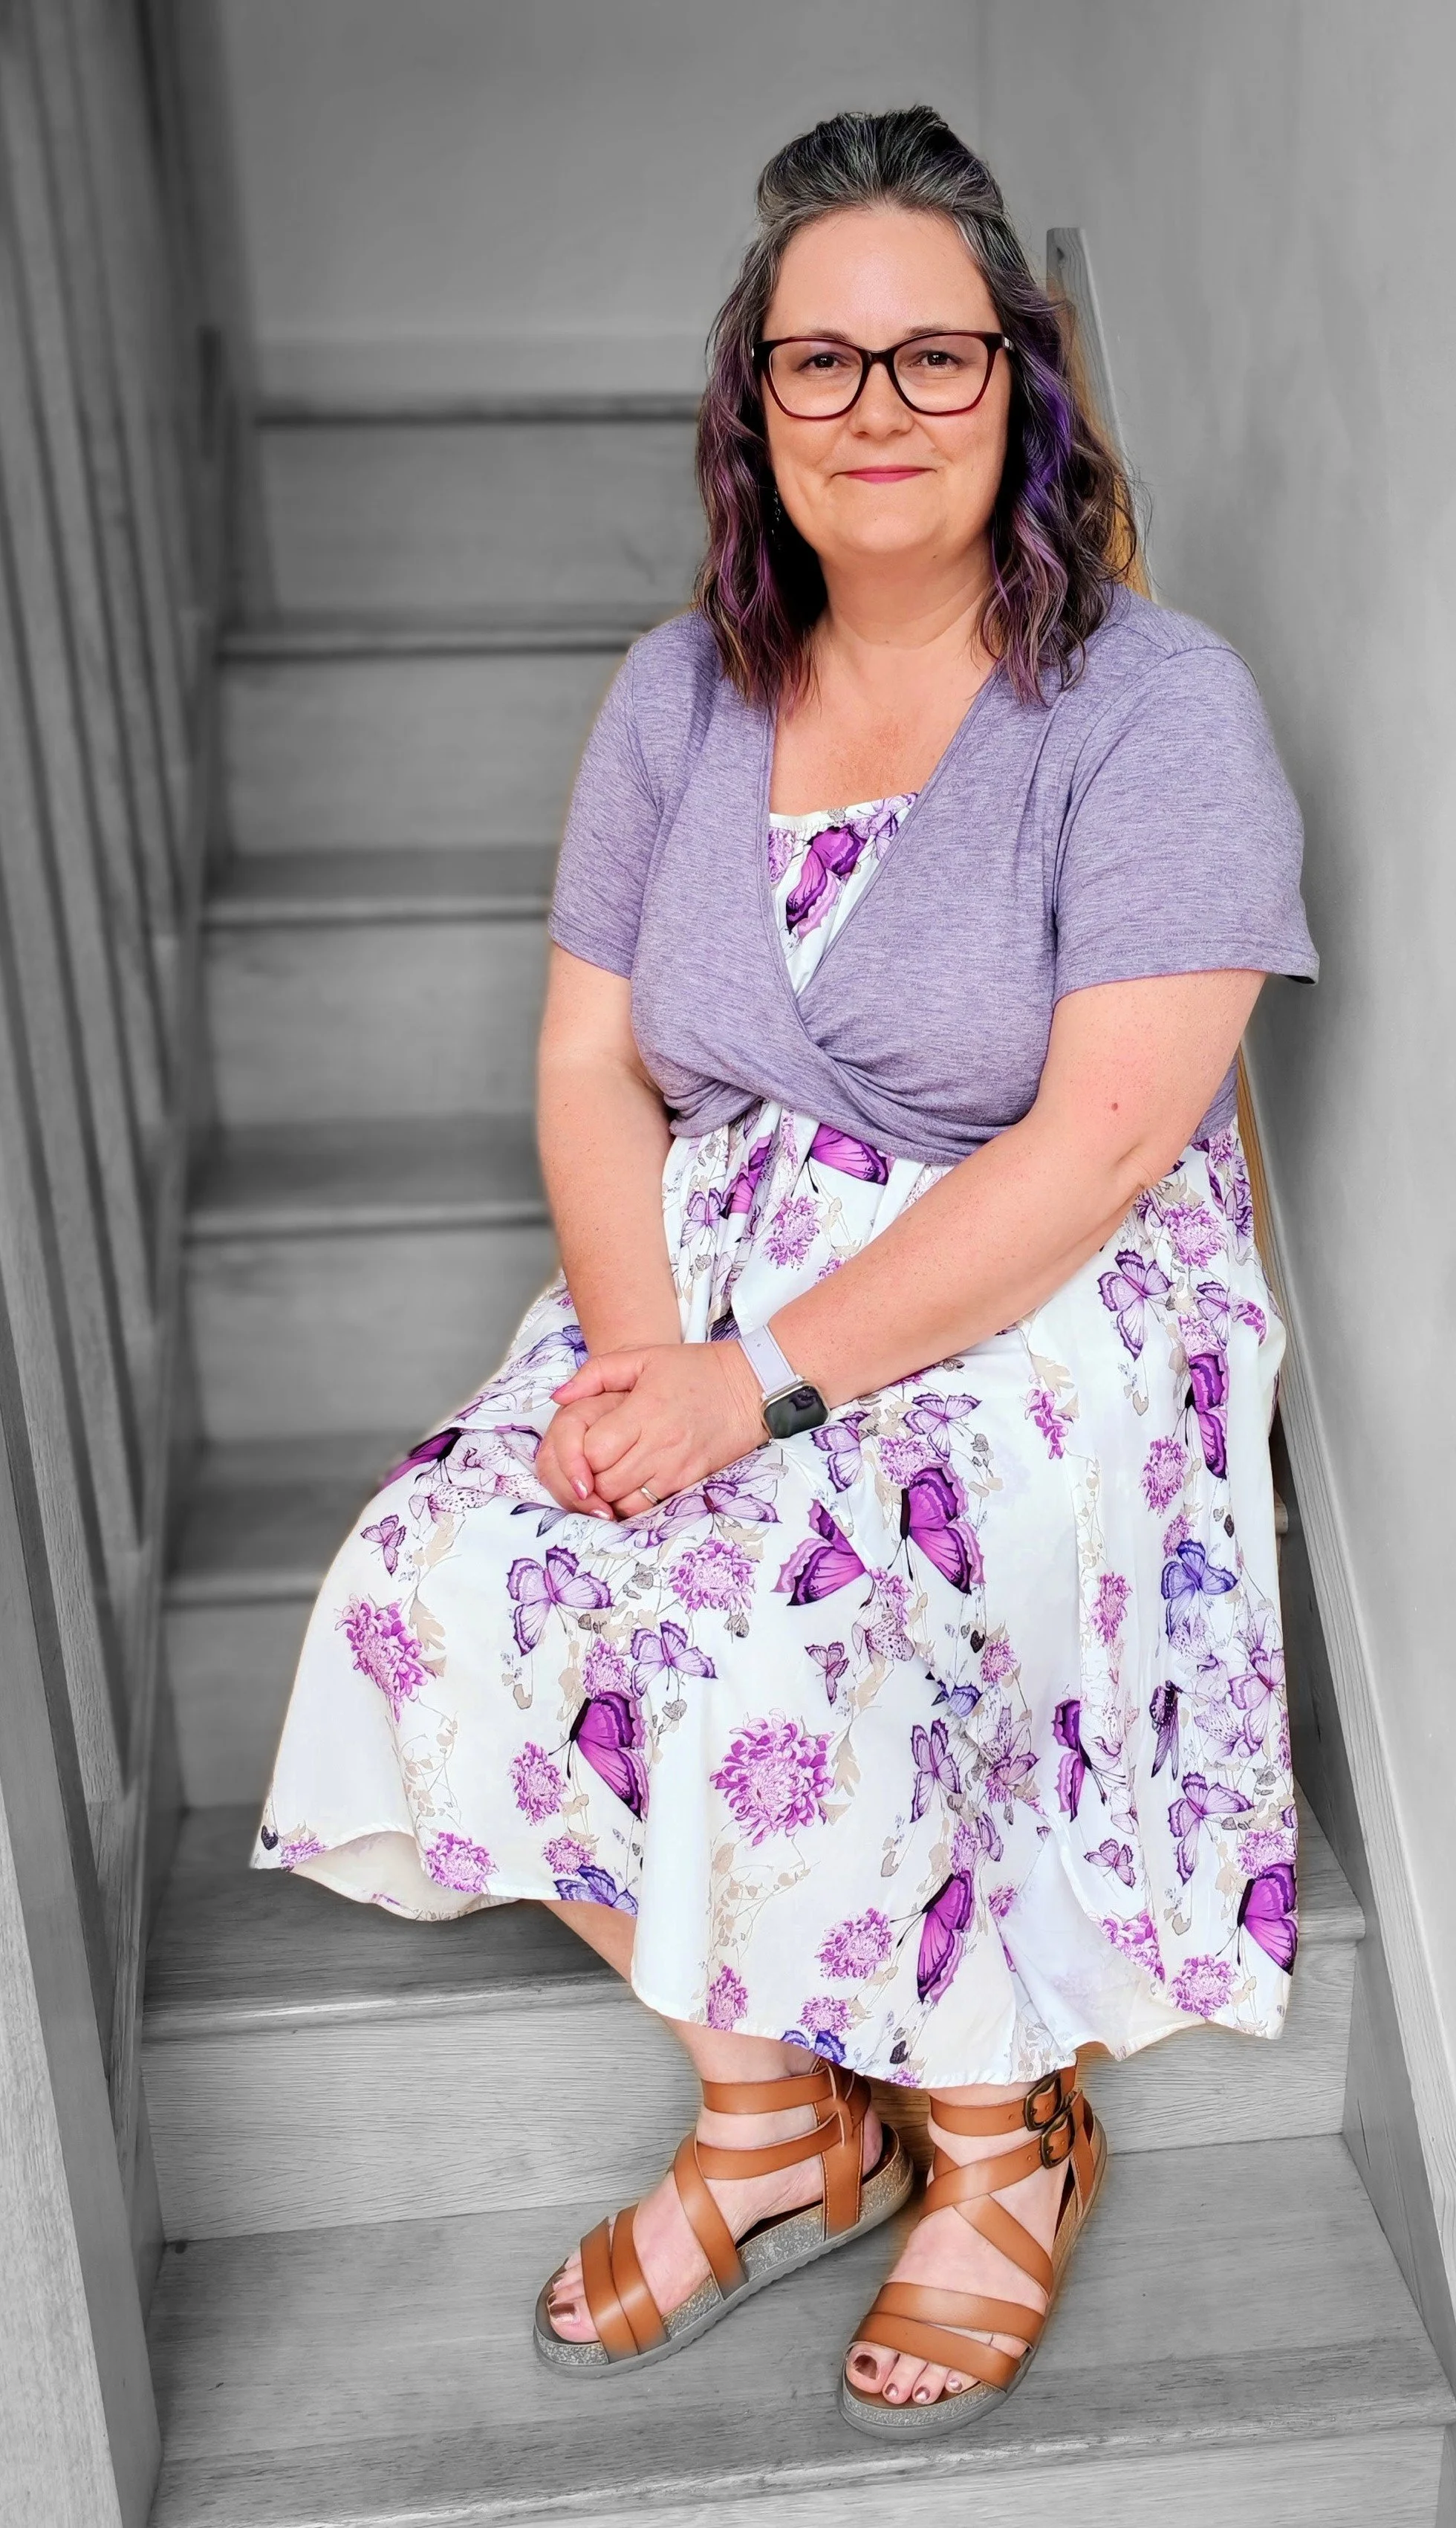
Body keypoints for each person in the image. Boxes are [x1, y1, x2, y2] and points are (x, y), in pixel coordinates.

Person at [253, 105, 1316, 2435]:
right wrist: (648, 1360)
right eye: (818, 362)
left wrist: (759, 1390)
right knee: (452, 1567)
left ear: (1024, 383)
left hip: (1031, 1290)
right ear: (754, 403)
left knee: (794, 1605)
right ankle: (773, 2118)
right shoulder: (678, 695)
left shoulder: (1158, 709)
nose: (876, 409)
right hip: (703, 1276)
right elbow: (586, 1059)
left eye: (934, 356)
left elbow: (1106, 1139)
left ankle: (997, 2131)